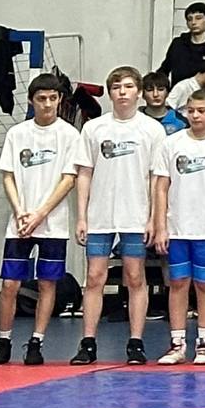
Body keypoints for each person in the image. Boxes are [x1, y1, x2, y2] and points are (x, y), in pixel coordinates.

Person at [0, 71, 87, 365]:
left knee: (47, 283)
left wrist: (41, 213)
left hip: (52, 224)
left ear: (60, 100)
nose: (47, 104)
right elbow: (8, 176)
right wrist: (20, 211)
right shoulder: (17, 134)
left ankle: (36, 342)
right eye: (41, 98)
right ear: (31, 101)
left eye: (52, 98)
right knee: (10, 284)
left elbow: (69, 178)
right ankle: (4, 340)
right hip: (19, 222)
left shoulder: (69, 135)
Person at [72, 68, 158, 366]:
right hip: (100, 214)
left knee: (135, 276)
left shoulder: (151, 129)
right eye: (117, 87)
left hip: (136, 214)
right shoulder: (93, 128)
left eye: (129, 86)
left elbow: (156, 178)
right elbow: (84, 173)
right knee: (94, 276)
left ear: (139, 92)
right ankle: (88, 343)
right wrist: (82, 217)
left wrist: (154, 218)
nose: (123, 92)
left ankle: (135, 342)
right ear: (110, 93)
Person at [148, 88, 205, 368]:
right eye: (191, 111)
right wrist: (161, 226)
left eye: (201, 110)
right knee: (177, 283)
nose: (195, 115)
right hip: (177, 228)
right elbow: (161, 188)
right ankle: (177, 344)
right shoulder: (171, 144)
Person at [158, 3, 205, 107]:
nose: (194, 22)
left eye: (198, 18)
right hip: (179, 100)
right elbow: (164, 69)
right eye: (189, 19)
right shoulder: (178, 44)